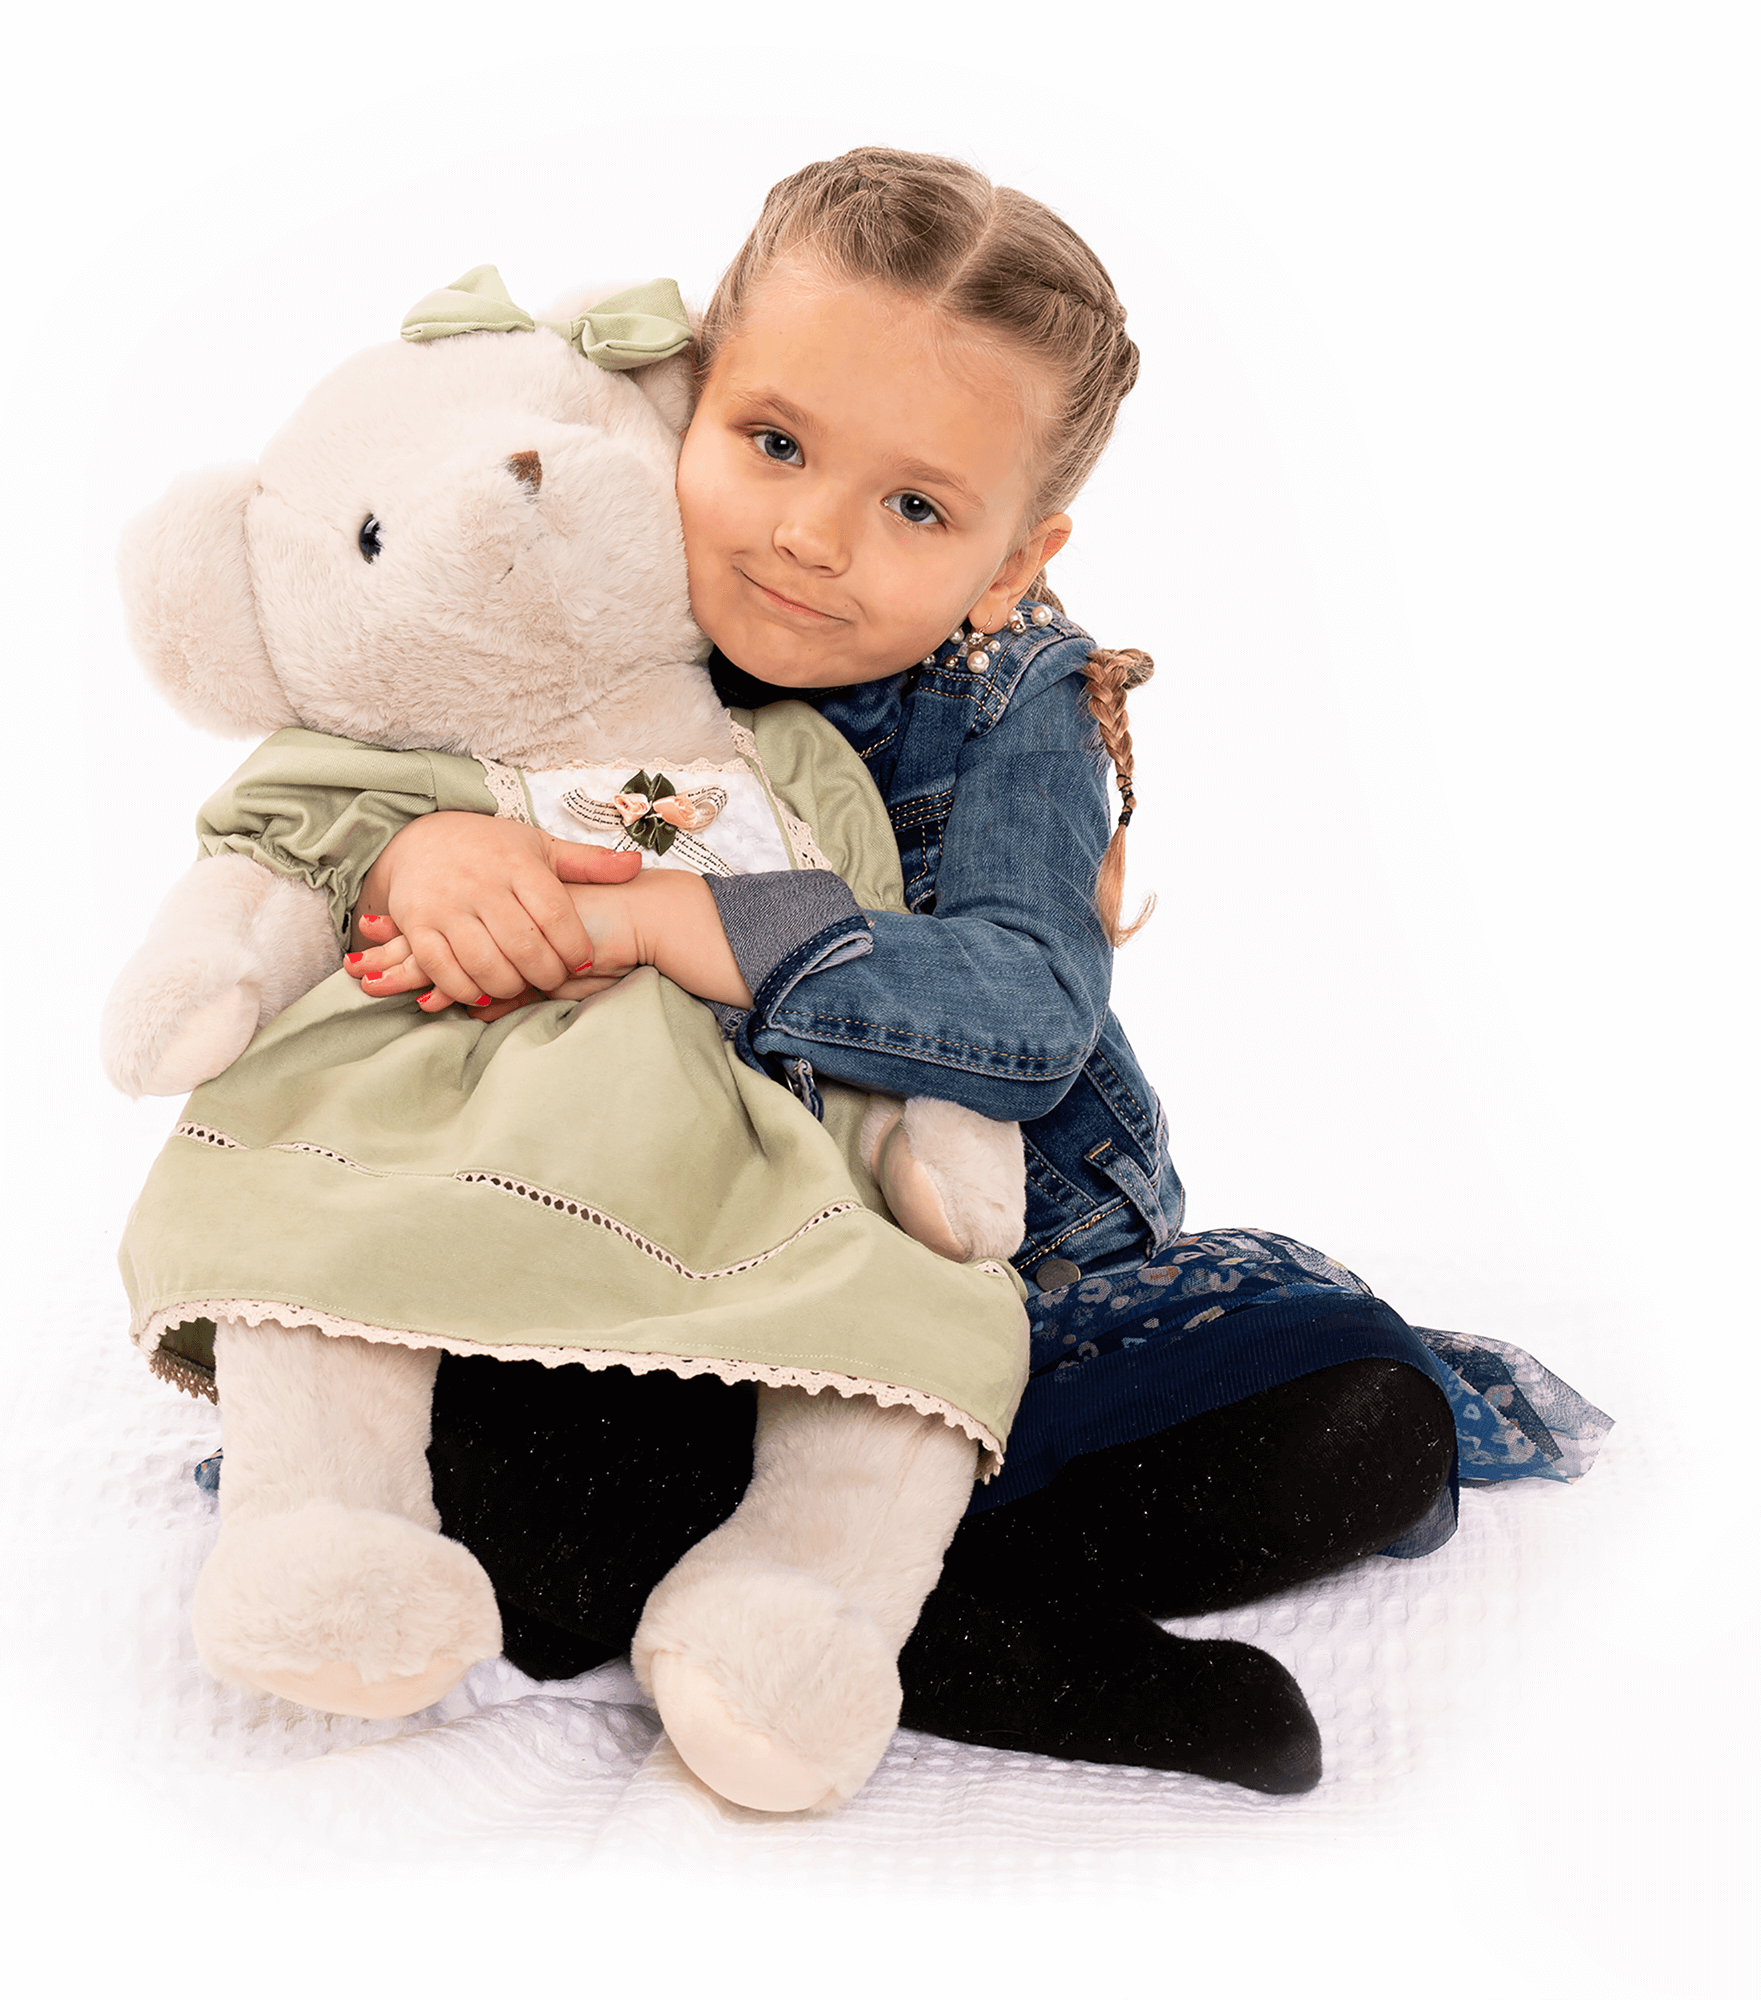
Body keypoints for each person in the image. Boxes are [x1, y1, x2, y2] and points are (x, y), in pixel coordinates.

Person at [209, 147, 1608, 1795]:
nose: (813, 536)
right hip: (621, 1257)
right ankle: (888, 1621)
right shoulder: (557, 576)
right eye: (775, 443)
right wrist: (410, 858)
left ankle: (873, 1599)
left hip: (948, 1285)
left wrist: (673, 921)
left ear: (1010, 560)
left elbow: (1024, 1006)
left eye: (919, 508)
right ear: (685, 397)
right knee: (510, 1475)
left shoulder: (1007, 696)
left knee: (1363, 1410)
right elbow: (324, 788)